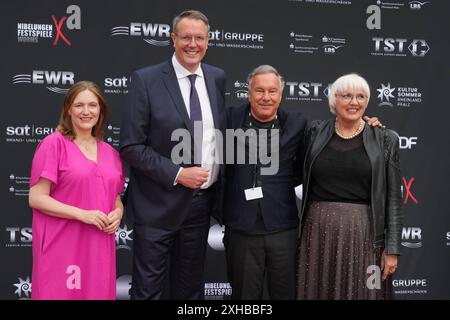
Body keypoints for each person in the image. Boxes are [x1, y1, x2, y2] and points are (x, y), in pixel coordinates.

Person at [119, 10, 226, 300]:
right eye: (186, 37)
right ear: (173, 39)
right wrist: (178, 173)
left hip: (200, 207)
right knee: (148, 291)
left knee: (189, 292)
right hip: (156, 206)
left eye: (199, 38)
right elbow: (131, 145)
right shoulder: (146, 79)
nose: (193, 44)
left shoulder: (217, 78)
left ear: (209, 41)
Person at [297, 73, 403, 300]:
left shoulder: (385, 139)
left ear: (367, 101)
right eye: (346, 96)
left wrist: (392, 249)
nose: (354, 102)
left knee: (370, 289)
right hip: (317, 234)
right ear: (333, 101)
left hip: (367, 236)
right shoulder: (314, 132)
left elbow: (394, 198)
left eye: (360, 96)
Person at [28, 81, 125, 300]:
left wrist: (118, 213)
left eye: (92, 105)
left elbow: (115, 197)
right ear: (68, 109)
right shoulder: (54, 144)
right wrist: (83, 214)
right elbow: (36, 198)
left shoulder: (111, 153)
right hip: (63, 245)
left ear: (100, 110)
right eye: (79, 105)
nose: (86, 111)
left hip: (99, 246)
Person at [223, 65, 307, 299]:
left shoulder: (296, 124)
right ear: (248, 93)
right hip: (241, 229)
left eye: (272, 91)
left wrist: (367, 124)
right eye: (259, 91)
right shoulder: (228, 120)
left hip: (283, 228)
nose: (266, 97)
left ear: (281, 95)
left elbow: (331, 137)